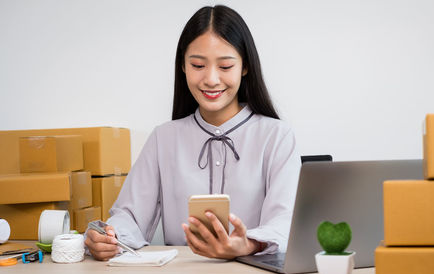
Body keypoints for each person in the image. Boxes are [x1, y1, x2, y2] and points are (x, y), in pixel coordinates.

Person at [85, 5, 301, 261]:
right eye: (198, 65)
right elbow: (129, 216)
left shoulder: (276, 136)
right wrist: (108, 236)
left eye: (225, 66)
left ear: (244, 67)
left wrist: (248, 244)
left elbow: (285, 222)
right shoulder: (163, 138)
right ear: (183, 66)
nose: (210, 79)